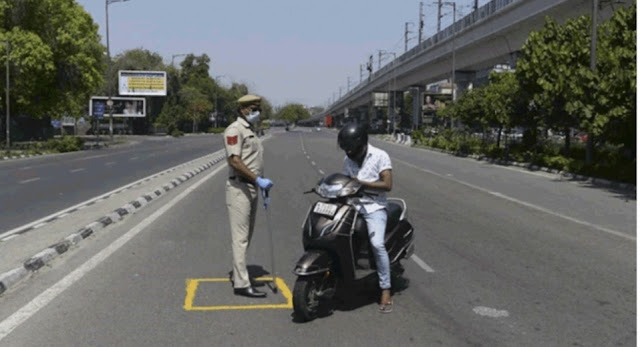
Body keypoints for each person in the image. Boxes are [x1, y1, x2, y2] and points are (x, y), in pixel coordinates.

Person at [337, 122, 394, 313]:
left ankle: (385, 288)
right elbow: (345, 182)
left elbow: (387, 185)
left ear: (361, 144)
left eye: (351, 149)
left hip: (374, 207)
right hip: (352, 205)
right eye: (346, 149)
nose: (349, 153)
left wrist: (362, 184)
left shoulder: (380, 156)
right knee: (336, 234)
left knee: (377, 244)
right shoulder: (347, 160)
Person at [224, 94, 274, 298]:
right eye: (254, 109)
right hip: (240, 188)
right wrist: (256, 179)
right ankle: (242, 284)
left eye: (258, 109)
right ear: (243, 109)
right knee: (240, 239)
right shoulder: (234, 130)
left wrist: (259, 183)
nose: (257, 113)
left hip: (251, 186)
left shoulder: (250, 130)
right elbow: (235, 161)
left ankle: (241, 275)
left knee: (247, 236)